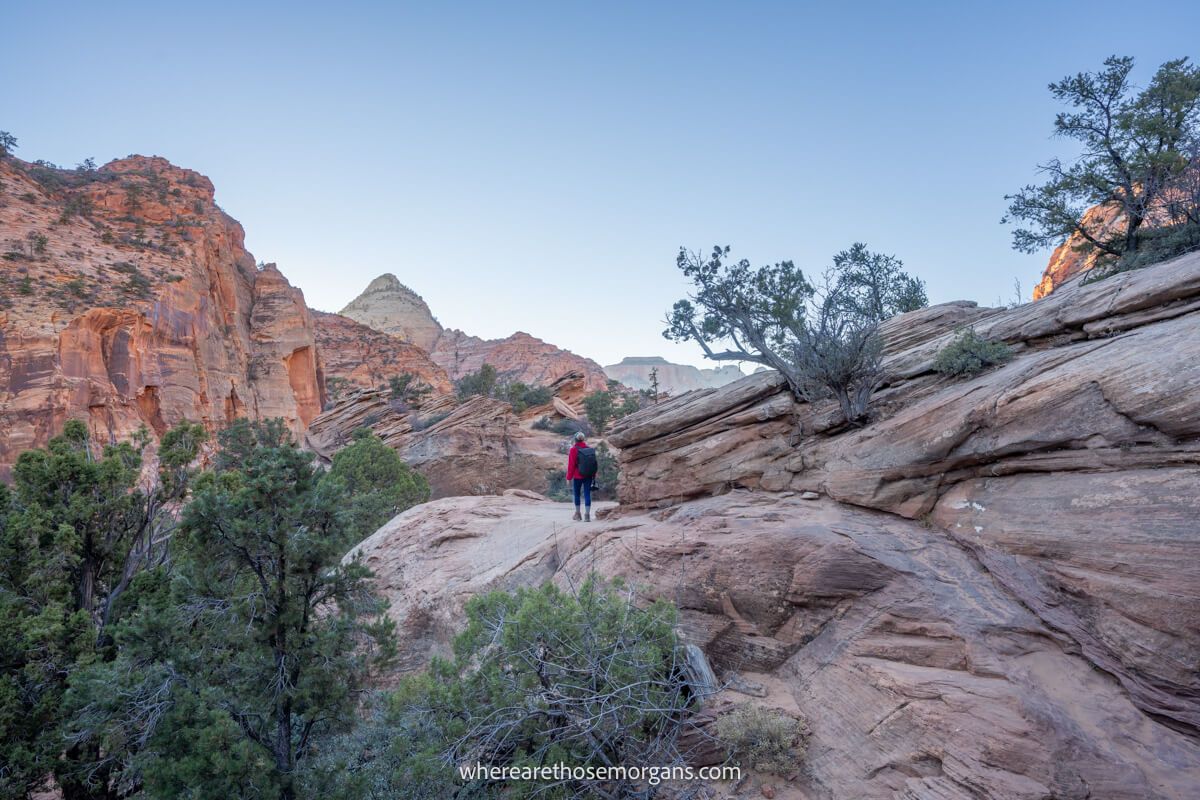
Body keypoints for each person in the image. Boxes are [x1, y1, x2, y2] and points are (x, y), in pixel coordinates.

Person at [565, 431, 597, 521]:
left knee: (577, 494)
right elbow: (593, 464)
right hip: (588, 476)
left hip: (577, 476)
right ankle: (587, 515)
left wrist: (568, 478)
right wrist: (593, 475)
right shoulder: (589, 449)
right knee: (587, 494)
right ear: (583, 439)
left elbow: (571, 465)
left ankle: (578, 514)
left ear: (575, 439)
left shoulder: (573, 449)